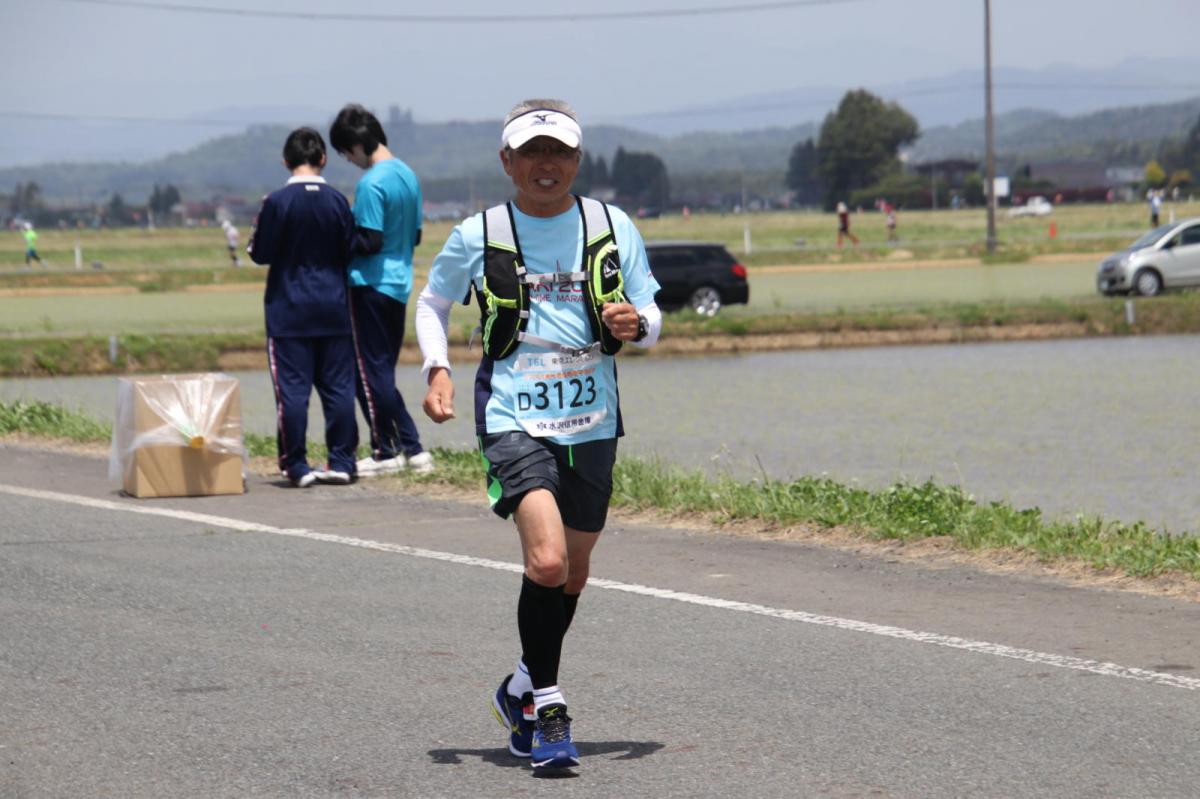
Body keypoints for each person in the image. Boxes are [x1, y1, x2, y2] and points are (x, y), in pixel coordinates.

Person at [415, 98, 662, 773]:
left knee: (574, 571)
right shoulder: (480, 233)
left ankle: (521, 684)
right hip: (514, 416)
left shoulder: (612, 225)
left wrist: (636, 326)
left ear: (578, 160)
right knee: (547, 561)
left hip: (593, 420)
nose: (545, 165)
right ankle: (549, 707)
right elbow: (432, 302)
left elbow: (651, 307)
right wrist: (437, 368)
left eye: (559, 152)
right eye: (532, 152)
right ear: (508, 161)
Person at [247, 127, 359, 488]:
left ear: (286, 161)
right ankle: (342, 461)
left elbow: (259, 253)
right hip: (334, 306)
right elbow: (350, 249)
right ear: (323, 158)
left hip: (288, 309)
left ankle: (297, 465)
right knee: (339, 389)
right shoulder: (339, 201)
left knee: (293, 392)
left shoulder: (276, 202)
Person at [329, 103, 433, 477]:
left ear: (356, 146)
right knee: (380, 372)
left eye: (345, 153)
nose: (349, 160)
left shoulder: (371, 182)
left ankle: (389, 449)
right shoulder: (408, 175)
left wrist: (337, 237)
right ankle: (407, 447)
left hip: (369, 283)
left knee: (368, 373)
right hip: (399, 282)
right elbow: (417, 234)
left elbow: (369, 240)